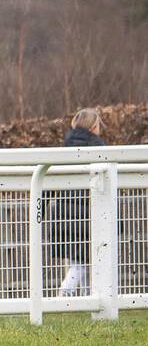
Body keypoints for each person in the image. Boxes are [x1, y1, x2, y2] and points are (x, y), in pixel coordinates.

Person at [53, 108, 107, 296]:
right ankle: (65, 293)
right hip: (88, 212)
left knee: (80, 260)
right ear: (94, 127)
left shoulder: (66, 146)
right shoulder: (98, 147)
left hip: (63, 212)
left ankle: (85, 297)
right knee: (85, 260)